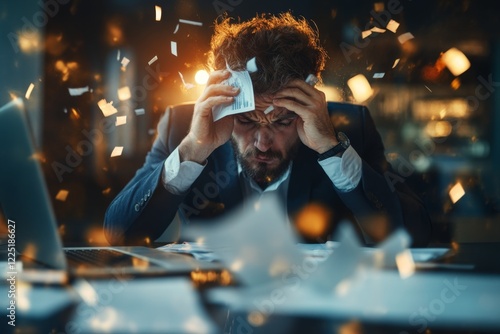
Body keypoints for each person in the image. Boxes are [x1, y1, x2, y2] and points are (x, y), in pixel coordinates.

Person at [104, 12, 431, 247]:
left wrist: (332, 150)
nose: (262, 143)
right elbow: (118, 234)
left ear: (306, 108)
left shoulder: (348, 129)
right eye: (245, 121)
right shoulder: (183, 128)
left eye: (283, 121)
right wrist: (192, 150)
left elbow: (409, 237)